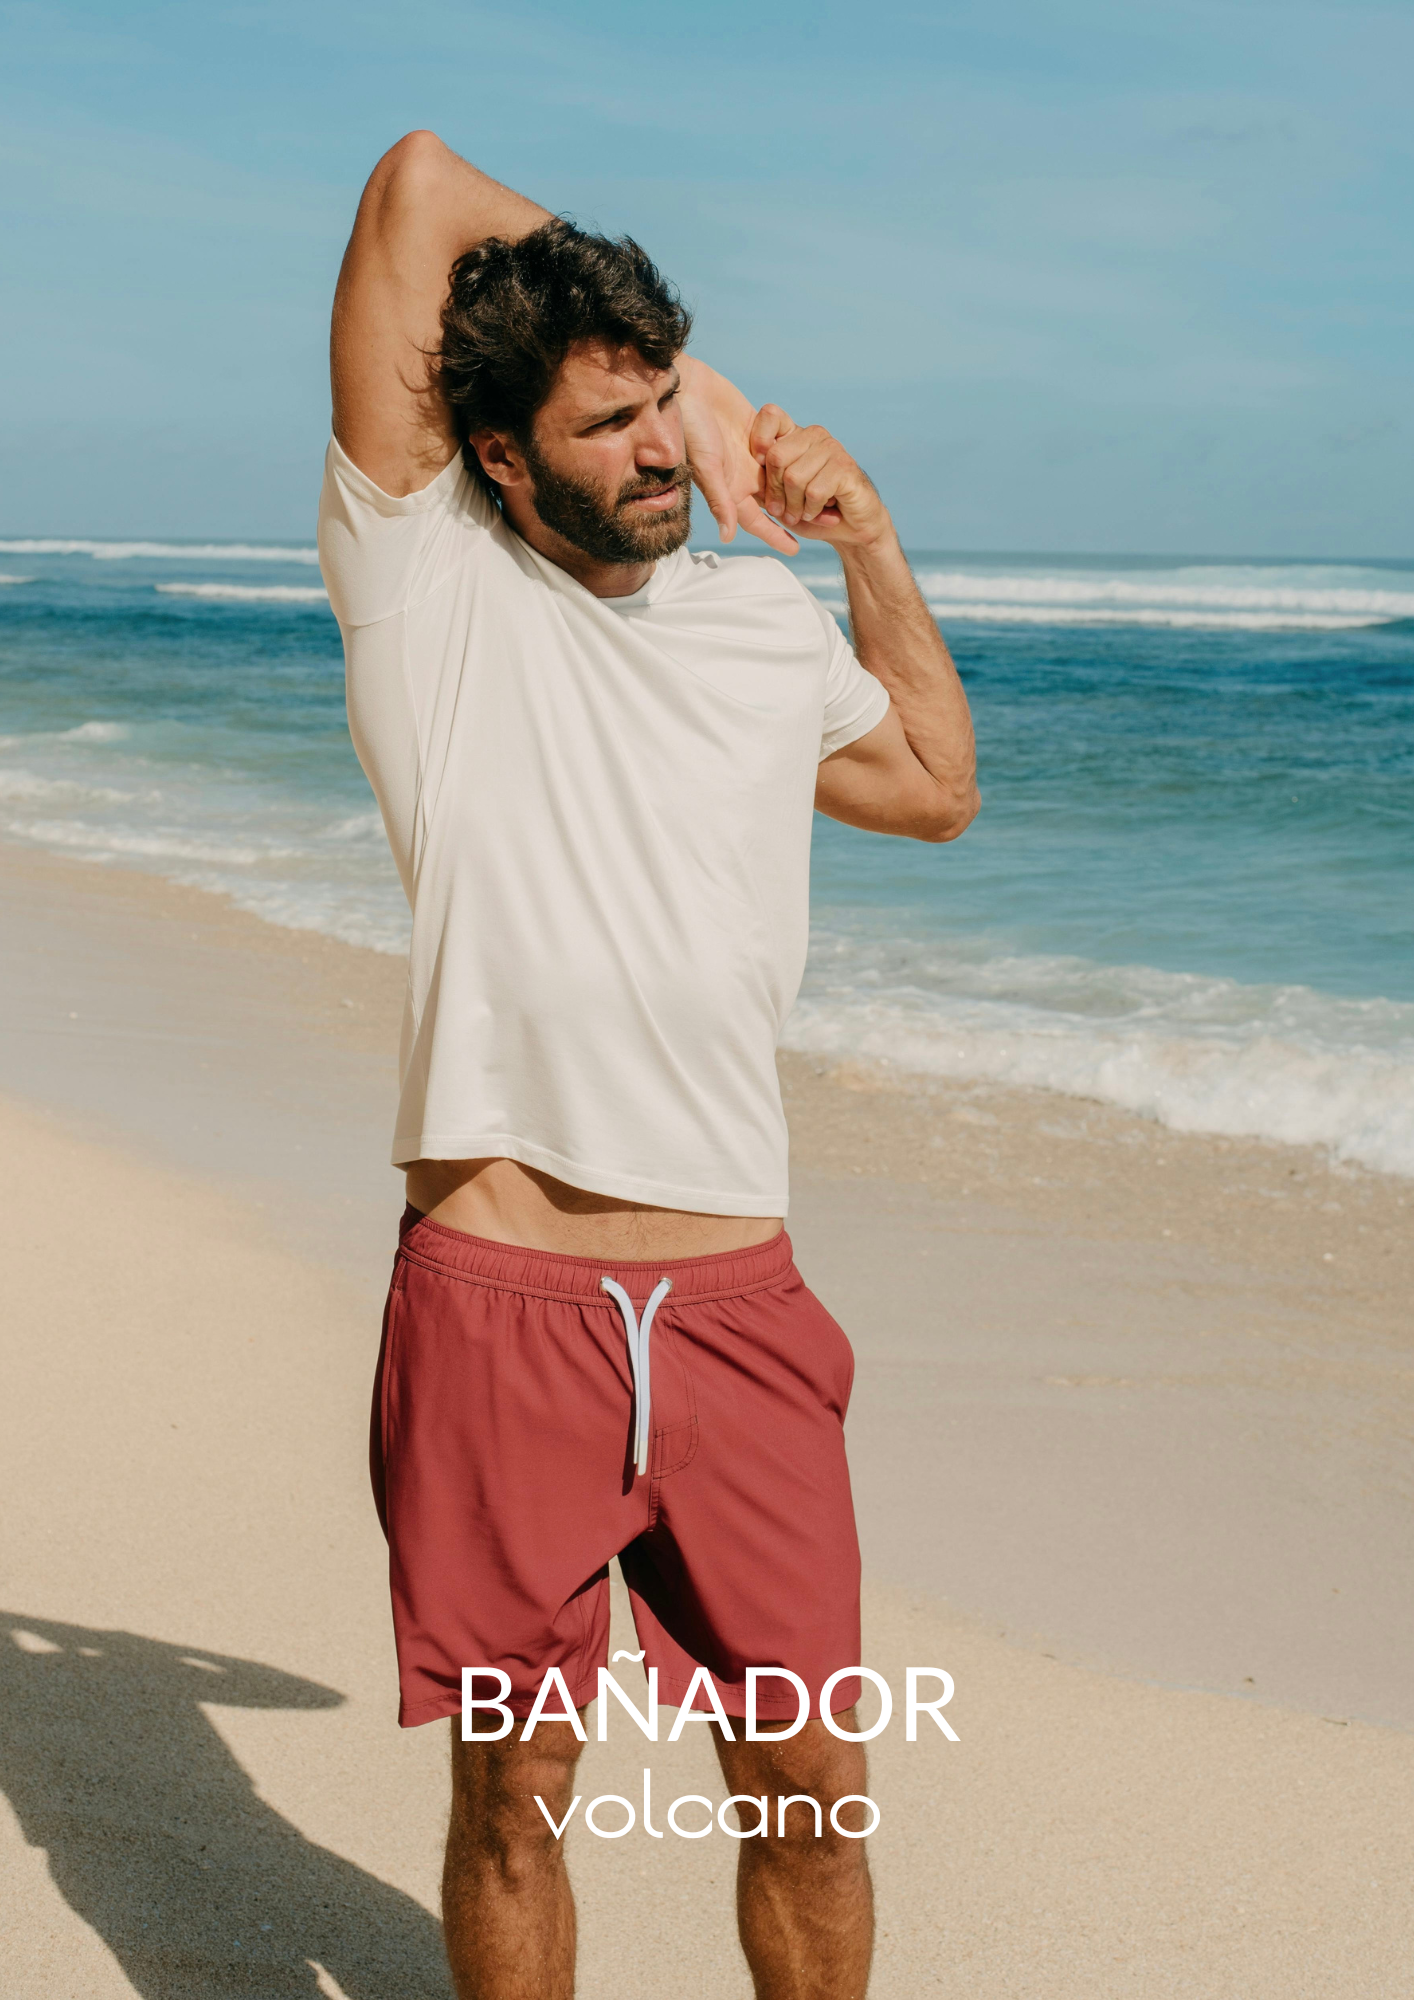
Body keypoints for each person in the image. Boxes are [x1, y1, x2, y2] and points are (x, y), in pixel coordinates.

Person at [319, 129, 978, 2000]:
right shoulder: (426, 589)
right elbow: (419, 184)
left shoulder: (756, 631)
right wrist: (729, 375)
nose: (668, 451)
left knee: (809, 1781)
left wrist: (864, 545)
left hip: (735, 1312)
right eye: (613, 421)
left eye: (668, 409)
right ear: (501, 456)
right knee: (517, 1789)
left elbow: (932, 789)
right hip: (500, 1292)